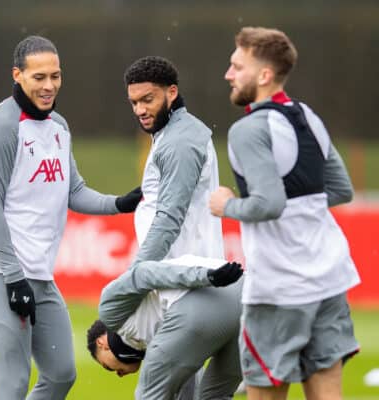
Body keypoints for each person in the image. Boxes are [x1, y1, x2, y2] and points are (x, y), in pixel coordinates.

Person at [0, 35, 142, 400]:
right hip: (0, 273)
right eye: (39, 77)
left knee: (61, 374)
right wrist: (13, 277)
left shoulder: (59, 126)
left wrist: (121, 203)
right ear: (17, 75)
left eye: (56, 76)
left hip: (40, 275)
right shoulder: (0, 126)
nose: (49, 86)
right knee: (11, 383)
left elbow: (73, 191)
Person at [209, 26, 360, 400]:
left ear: (264, 75)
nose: (228, 74)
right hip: (329, 278)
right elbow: (341, 190)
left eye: (236, 66)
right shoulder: (308, 115)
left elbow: (269, 204)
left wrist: (225, 205)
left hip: (278, 289)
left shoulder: (248, 130)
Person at [123, 55, 225, 399]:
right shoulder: (172, 133)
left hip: (187, 289)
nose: (139, 109)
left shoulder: (180, 140)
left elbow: (168, 220)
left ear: (172, 92)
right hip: (186, 284)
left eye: (147, 99)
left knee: (156, 392)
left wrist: (135, 277)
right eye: (134, 102)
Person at [87, 255, 244, 400]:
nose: (119, 374)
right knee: (214, 396)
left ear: (102, 342)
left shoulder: (111, 313)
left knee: (148, 395)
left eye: (108, 367)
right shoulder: (160, 337)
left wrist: (206, 276)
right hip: (246, 297)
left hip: (204, 295)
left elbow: (142, 273)